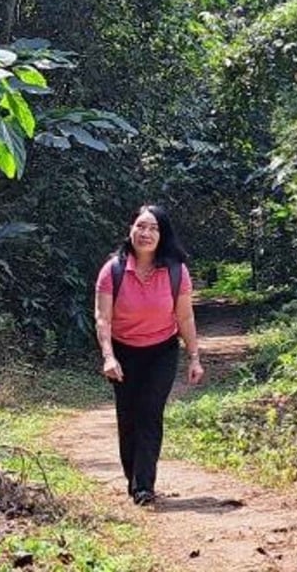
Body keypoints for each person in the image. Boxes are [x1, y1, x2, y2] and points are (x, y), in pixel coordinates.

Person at [93, 204, 204, 506]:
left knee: (149, 412)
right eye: (141, 226)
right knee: (127, 416)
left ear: (162, 234)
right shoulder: (112, 270)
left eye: (154, 228)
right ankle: (134, 480)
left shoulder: (176, 271)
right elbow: (103, 318)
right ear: (131, 230)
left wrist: (194, 357)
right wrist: (108, 356)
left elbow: (185, 318)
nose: (146, 233)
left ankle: (144, 486)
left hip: (162, 350)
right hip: (124, 351)